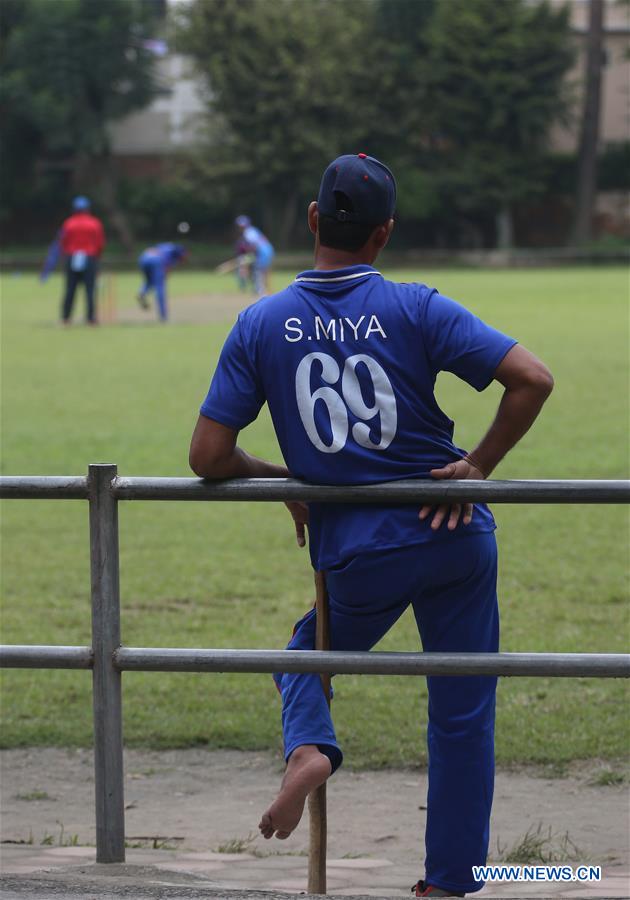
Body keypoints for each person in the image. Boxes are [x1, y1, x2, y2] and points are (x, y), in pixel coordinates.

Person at [189, 153, 553, 898]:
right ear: (383, 234)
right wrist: (477, 463)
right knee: (462, 711)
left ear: (315, 219)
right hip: (453, 532)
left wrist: (284, 478)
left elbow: (208, 455)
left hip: (356, 553)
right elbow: (533, 378)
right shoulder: (419, 305)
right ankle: (449, 882)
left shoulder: (260, 323)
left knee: (303, 659)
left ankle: (311, 747)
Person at [59, 196, 105, 326]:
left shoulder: (68, 223)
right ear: (87, 209)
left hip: (72, 257)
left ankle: (65, 318)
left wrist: (65, 257)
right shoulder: (95, 223)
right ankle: (91, 319)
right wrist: (97, 257)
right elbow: (100, 243)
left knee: (70, 289)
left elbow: (63, 242)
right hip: (90, 258)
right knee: (90, 290)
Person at [137, 243, 187, 322]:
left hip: (144, 257)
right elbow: (167, 268)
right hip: (156, 260)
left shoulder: (165, 246)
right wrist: (165, 275)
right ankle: (163, 316)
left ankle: (142, 292)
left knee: (149, 281)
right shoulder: (174, 253)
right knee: (160, 287)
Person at [234, 215, 274, 295]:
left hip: (263, 252)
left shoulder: (249, 233)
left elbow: (254, 246)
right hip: (267, 250)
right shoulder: (252, 230)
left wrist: (247, 256)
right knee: (263, 270)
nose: (241, 228)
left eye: (242, 226)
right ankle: (264, 290)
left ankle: (260, 290)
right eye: (240, 226)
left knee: (258, 270)